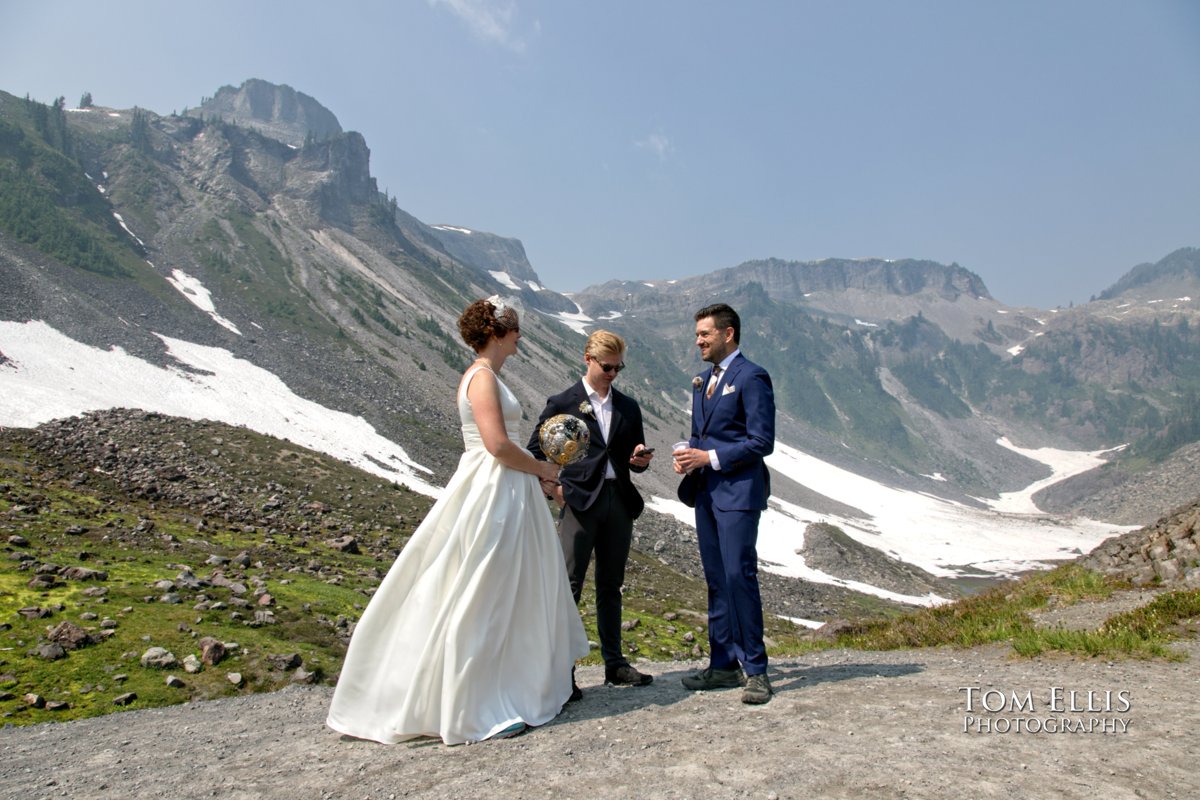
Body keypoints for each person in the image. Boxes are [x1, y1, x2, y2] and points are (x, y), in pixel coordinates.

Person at [326, 298, 588, 744]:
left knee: (506, 589)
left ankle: (510, 685)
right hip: (492, 490)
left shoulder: (488, 375)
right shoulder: (482, 378)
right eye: (516, 329)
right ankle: (473, 703)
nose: (521, 336)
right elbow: (497, 446)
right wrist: (545, 469)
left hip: (505, 488)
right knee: (483, 590)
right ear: (499, 332)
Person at [528, 330, 655, 697]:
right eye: (607, 367)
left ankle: (614, 664)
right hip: (580, 502)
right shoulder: (563, 401)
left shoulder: (628, 406)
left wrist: (640, 460)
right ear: (588, 358)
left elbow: (635, 455)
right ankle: (561, 673)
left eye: (618, 367)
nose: (613, 373)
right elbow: (535, 449)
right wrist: (554, 489)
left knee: (611, 585)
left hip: (619, 500)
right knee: (569, 586)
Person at [672, 303, 776, 704]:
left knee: (738, 577)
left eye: (704, 334)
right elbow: (705, 435)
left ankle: (757, 670)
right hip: (706, 493)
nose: (697, 340)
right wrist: (688, 452)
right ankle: (721, 665)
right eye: (697, 334)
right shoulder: (701, 381)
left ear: (728, 334)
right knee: (716, 580)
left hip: (738, 493)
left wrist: (710, 458)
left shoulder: (752, 377)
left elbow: (761, 441)